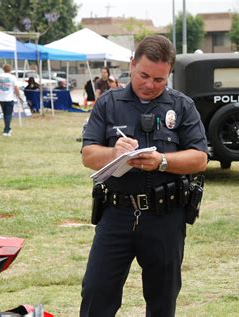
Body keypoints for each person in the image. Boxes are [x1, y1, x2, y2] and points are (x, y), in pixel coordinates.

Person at [80, 35, 208, 316]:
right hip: (116, 215)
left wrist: (162, 161)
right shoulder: (108, 103)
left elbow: (200, 158)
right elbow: (88, 154)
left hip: (165, 217)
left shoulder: (182, 105)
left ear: (170, 74)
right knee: (96, 292)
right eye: (144, 75)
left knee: (163, 299)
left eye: (159, 80)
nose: (150, 85)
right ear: (132, 65)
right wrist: (114, 153)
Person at [0, 64, 19, 137]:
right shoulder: (12, 77)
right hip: (9, 98)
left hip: (2, 98)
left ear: (3, 69)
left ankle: (8, 127)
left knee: (5, 114)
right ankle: (6, 130)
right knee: (8, 115)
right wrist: (17, 94)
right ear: (10, 70)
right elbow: (16, 87)